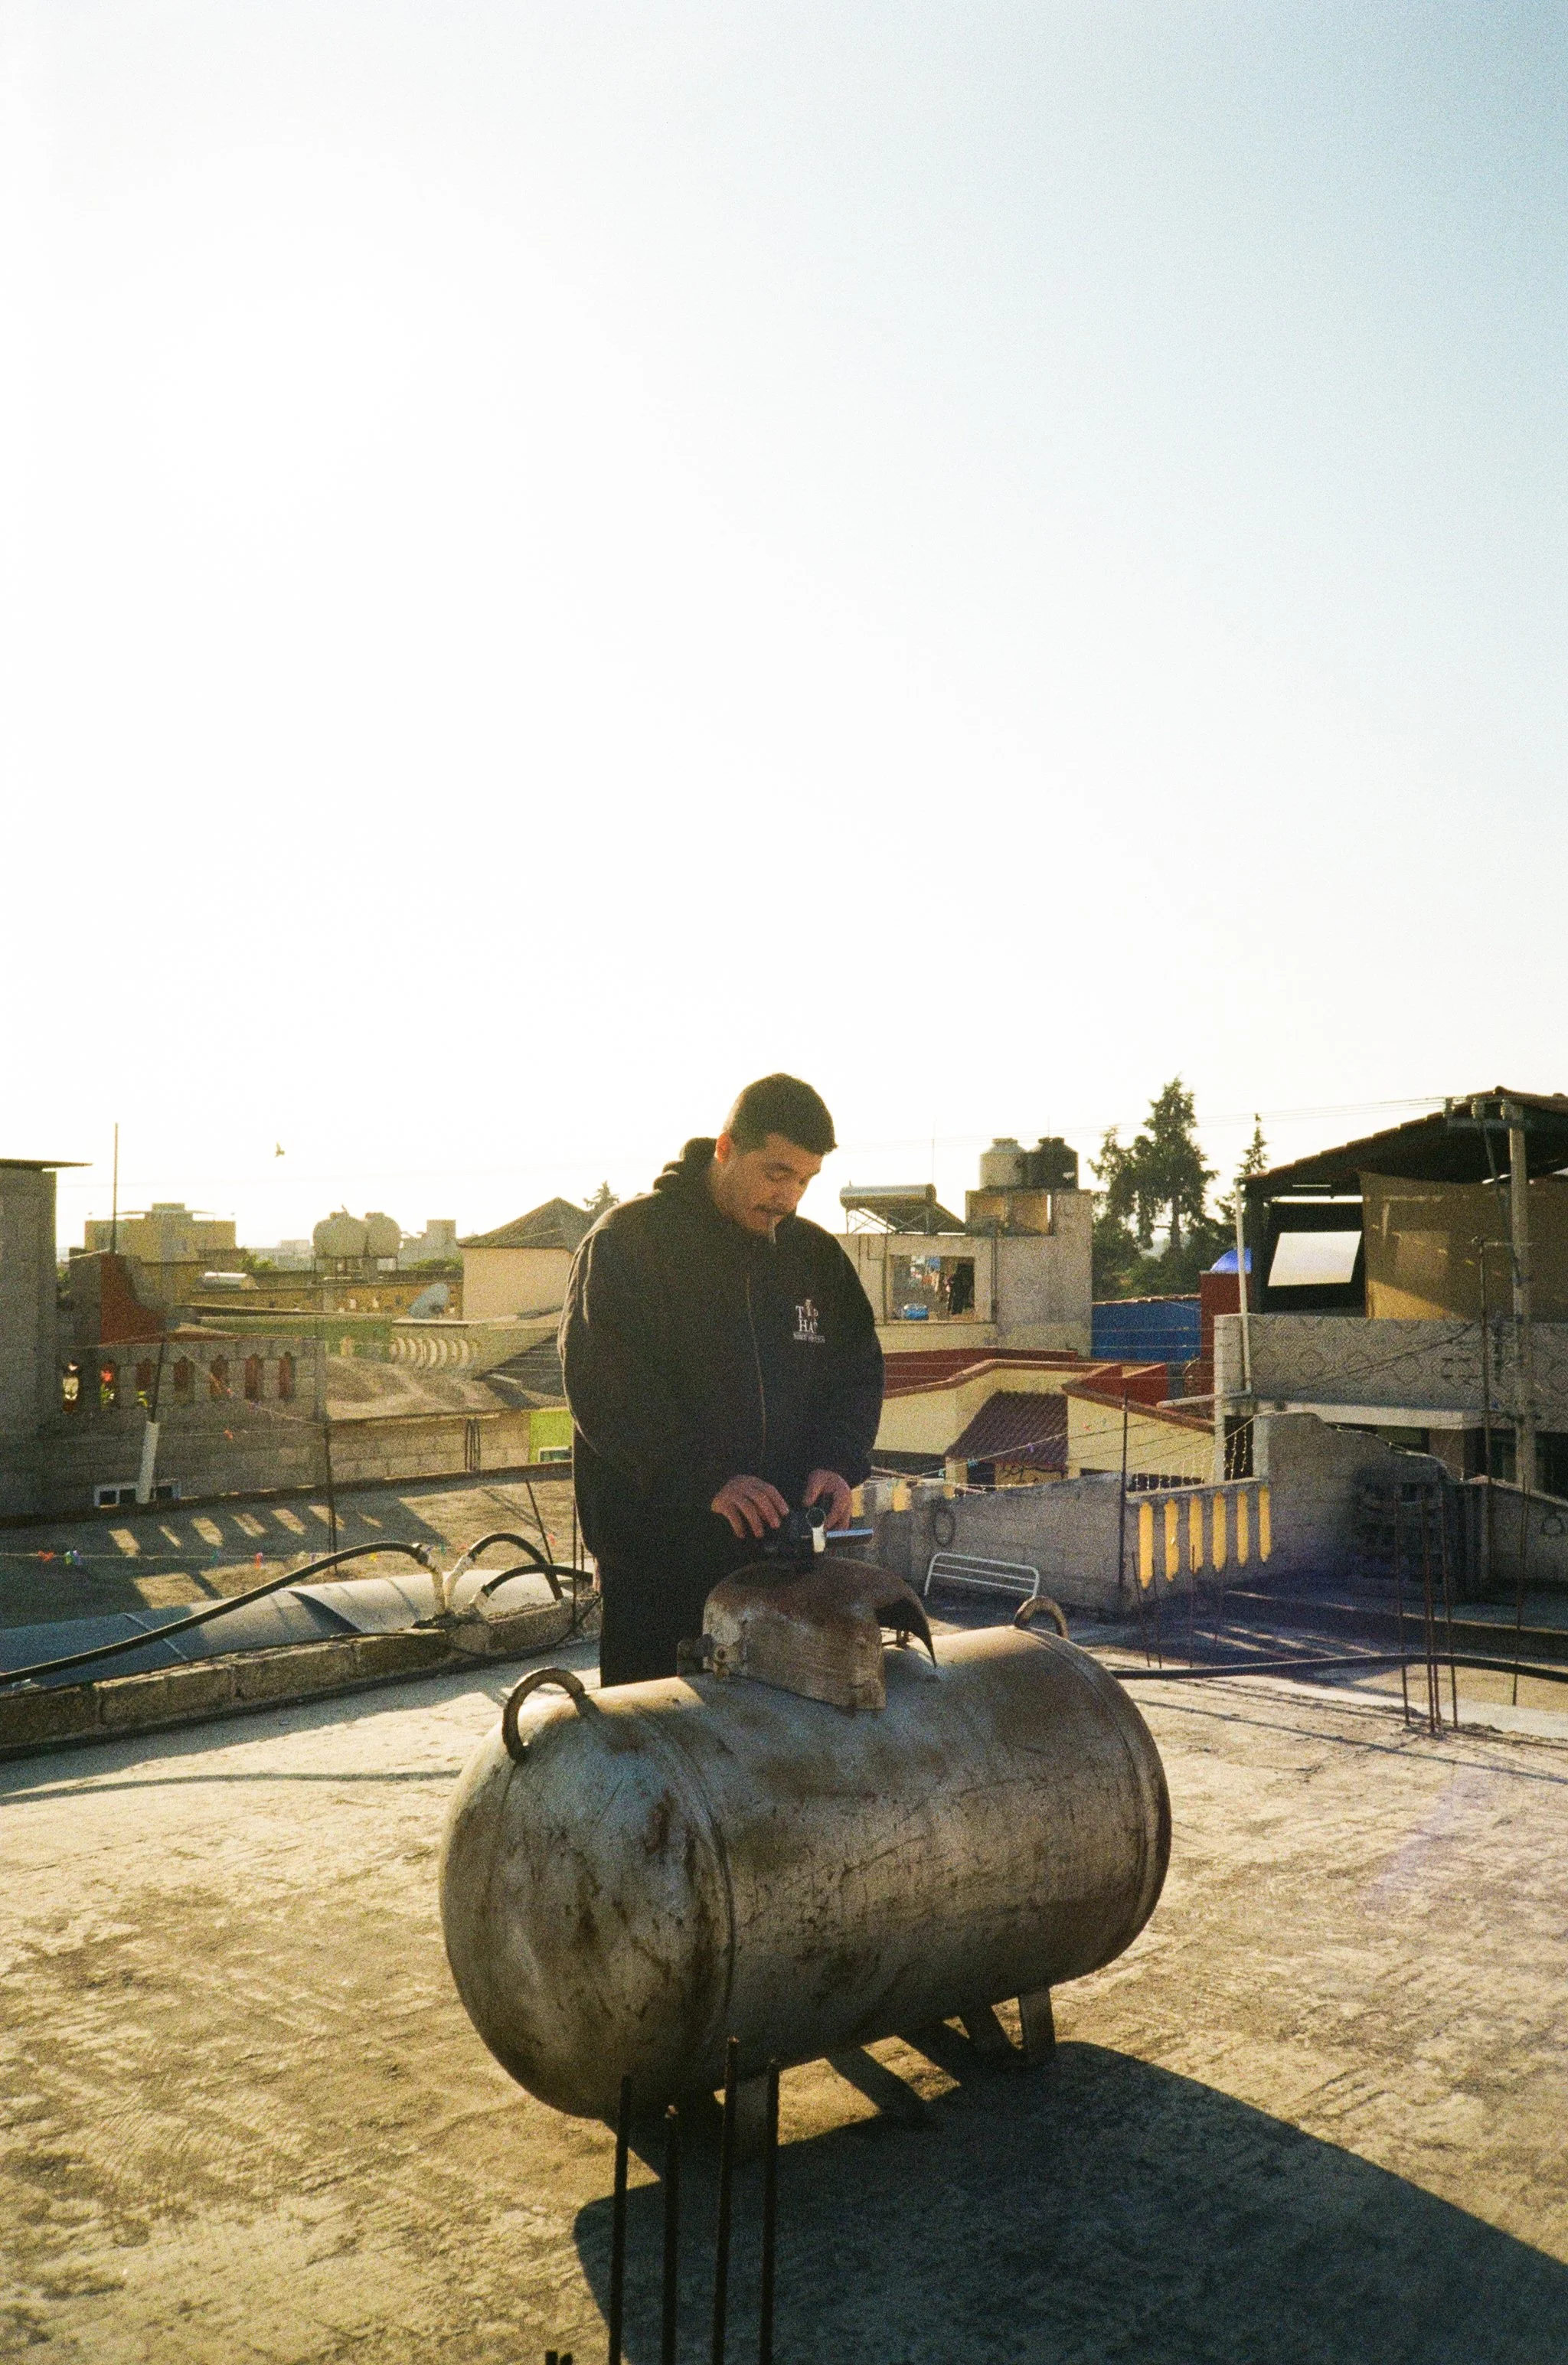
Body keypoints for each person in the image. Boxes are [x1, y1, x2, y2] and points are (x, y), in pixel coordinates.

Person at [559, 1074, 884, 1685]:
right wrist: (705, 1479)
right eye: (776, 1172)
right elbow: (604, 1388)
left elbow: (857, 1372)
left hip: (780, 1573)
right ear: (726, 1147)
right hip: (657, 1573)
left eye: (806, 1180)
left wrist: (837, 1461)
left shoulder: (814, 1258)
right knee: (658, 1760)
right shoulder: (629, 1244)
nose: (789, 1196)